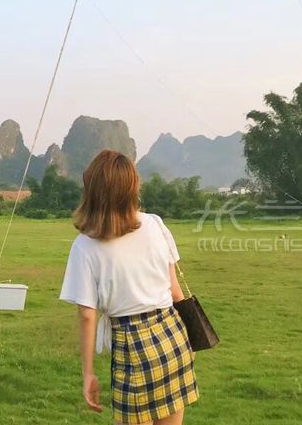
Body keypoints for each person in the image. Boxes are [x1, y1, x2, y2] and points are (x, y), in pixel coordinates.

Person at [60, 150, 198, 425]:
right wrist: (190, 339)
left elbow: (87, 315)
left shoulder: (85, 246)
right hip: (173, 335)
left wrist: (88, 373)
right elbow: (175, 292)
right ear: (132, 188)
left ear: (93, 191)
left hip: (131, 343)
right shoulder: (155, 224)